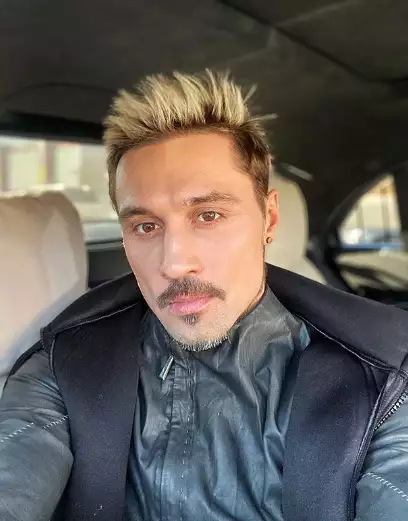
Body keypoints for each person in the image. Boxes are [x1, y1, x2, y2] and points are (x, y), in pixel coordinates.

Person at [1, 70, 408, 521]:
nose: (174, 263)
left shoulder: (381, 383)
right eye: (146, 226)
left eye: (208, 215)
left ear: (269, 219)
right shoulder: (66, 363)